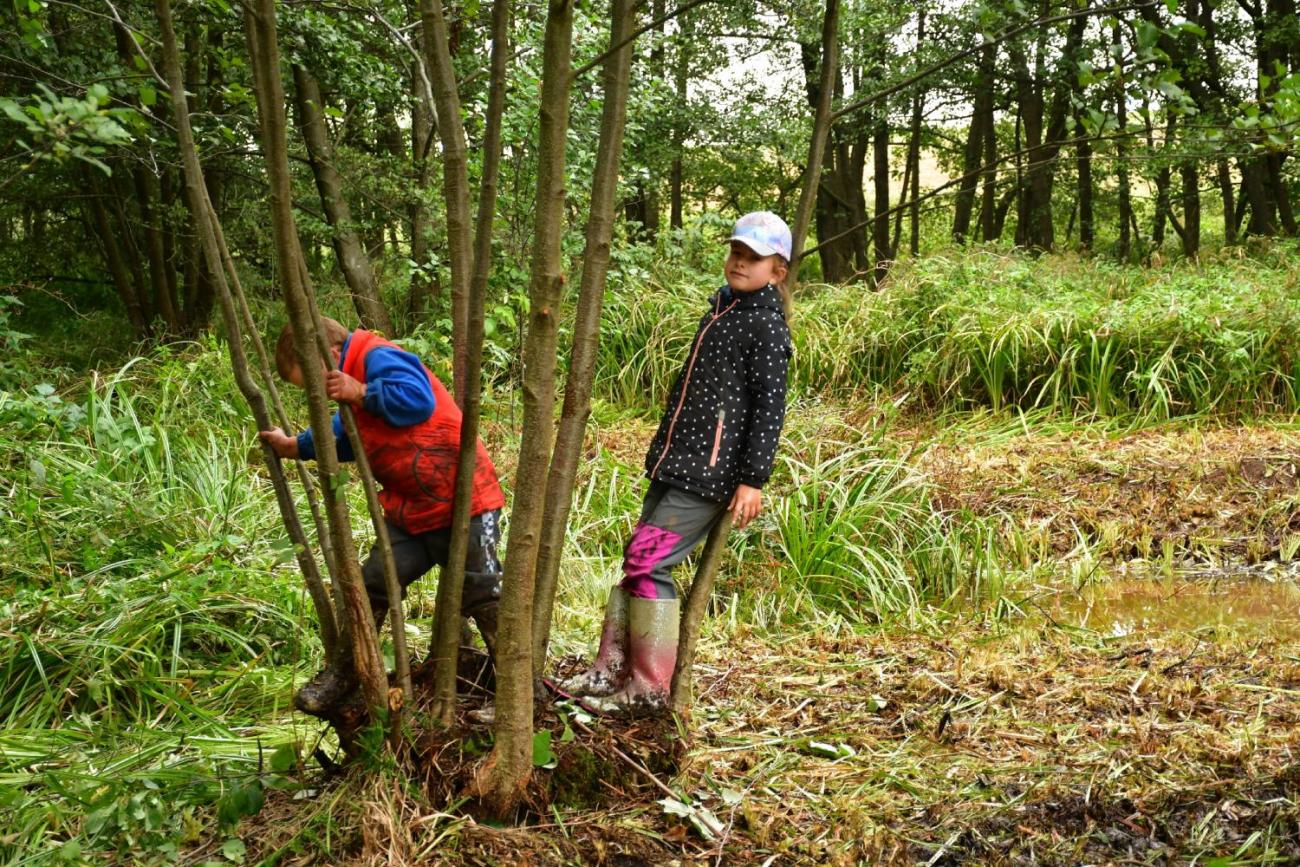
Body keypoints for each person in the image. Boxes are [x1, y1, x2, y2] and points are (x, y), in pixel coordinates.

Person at [562, 211, 794, 715]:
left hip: (711, 475)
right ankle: (610, 670)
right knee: (634, 561)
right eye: (736, 251)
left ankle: (647, 690)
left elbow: (769, 408)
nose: (740, 262)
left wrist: (753, 479)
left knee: (648, 562)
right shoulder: (723, 310)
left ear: (777, 270)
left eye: (754, 258)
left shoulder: (765, 326)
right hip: (678, 462)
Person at [259, 317, 506, 716]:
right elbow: (344, 437)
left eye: (314, 378)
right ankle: (345, 674)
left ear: (330, 354)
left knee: (483, 591)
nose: (320, 392)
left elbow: (416, 400)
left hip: (464, 504)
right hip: (413, 511)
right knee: (373, 581)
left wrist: (361, 391)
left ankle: (517, 693)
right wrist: (294, 446)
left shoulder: (379, 358)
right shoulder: (351, 389)